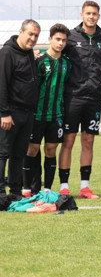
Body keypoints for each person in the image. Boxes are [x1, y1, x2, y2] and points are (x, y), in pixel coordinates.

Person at [59, 1, 101, 199]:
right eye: (88, 13)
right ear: (82, 15)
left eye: (94, 14)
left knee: (88, 140)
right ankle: (64, 186)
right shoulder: (70, 37)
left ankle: (84, 187)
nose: (91, 16)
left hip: (94, 98)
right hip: (72, 97)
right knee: (68, 140)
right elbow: (57, 55)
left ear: (99, 16)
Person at [21, 24, 70, 197]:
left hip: (56, 115)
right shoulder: (39, 62)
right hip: (37, 114)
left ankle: (47, 189)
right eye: (57, 39)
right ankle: (27, 188)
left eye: (64, 40)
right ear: (50, 39)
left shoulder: (66, 64)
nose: (61, 43)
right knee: (31, 150)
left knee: (51, 150)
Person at [0, 19, 40, 200]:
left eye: (36, 35)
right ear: (21, 32)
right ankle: (0, 192)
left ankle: (15, 193)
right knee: (2, 154)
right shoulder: (7, 52)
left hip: (27, 113)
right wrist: (4, 113)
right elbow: (1, 84)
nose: (32, 38)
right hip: (11, 113)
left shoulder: (29, 53)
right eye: (30, 34)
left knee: (18, 155)